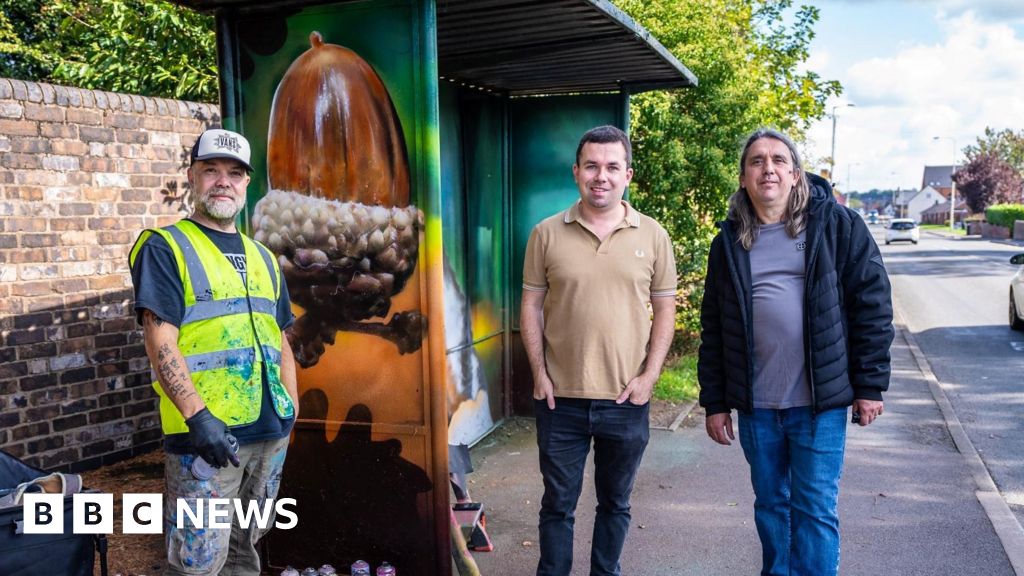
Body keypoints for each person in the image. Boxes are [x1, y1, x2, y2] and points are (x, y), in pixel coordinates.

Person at [698, 128, 893, 575]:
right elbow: (714, 325)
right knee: (771, 506)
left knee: (815, 510)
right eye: (757, 161)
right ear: (744, 177)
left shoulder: (838, 226)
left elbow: (873, 305)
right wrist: (715, 401)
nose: (768, 168)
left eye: (779, 160)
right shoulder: (728, 242)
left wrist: (870, 386)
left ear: (796, 174)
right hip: (757, 406)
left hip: (819, 404)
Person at [129, 129, 298, 576]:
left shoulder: (263, 256)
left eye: (234, 173)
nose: (223, 181)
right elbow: (160, 341)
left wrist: (291, 411)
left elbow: (280, 338)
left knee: (245, 549)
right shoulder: (165, 248)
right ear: (192, 177)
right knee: (197, 563)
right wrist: (198, 417)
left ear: (246, 184)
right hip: (207, 439)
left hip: (268, 435)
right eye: (211, 171)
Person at [521, 125, 677, 576]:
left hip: (625, 399)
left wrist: (649, 378)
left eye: (612, 167)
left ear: (627, 174)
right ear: (576, 172)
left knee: (615, 504)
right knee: (557, 506)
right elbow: (530, 306)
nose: (601, 176)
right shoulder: (546, 234)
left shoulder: (652, 236)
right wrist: (539, 374)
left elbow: (664, 311)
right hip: (559, 399)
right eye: (591, 166)